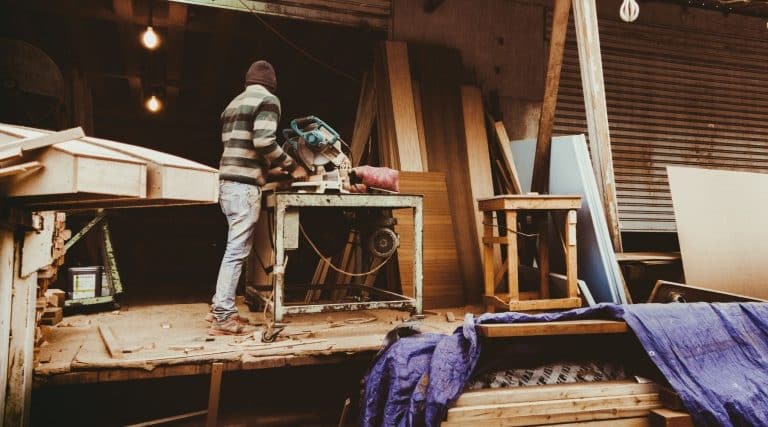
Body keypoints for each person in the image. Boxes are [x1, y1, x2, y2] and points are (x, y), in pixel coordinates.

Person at [210, 60, 307, 335]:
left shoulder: (232, 105)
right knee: (236, 251)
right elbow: (264, 142)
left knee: (234, 250)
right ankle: (222, 316)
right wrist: (291, 166)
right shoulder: (268, 100)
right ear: (271, 83)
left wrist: (268, 169)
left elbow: (243, 150)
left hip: (228, 185)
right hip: (243, 188)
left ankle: (219, 306)